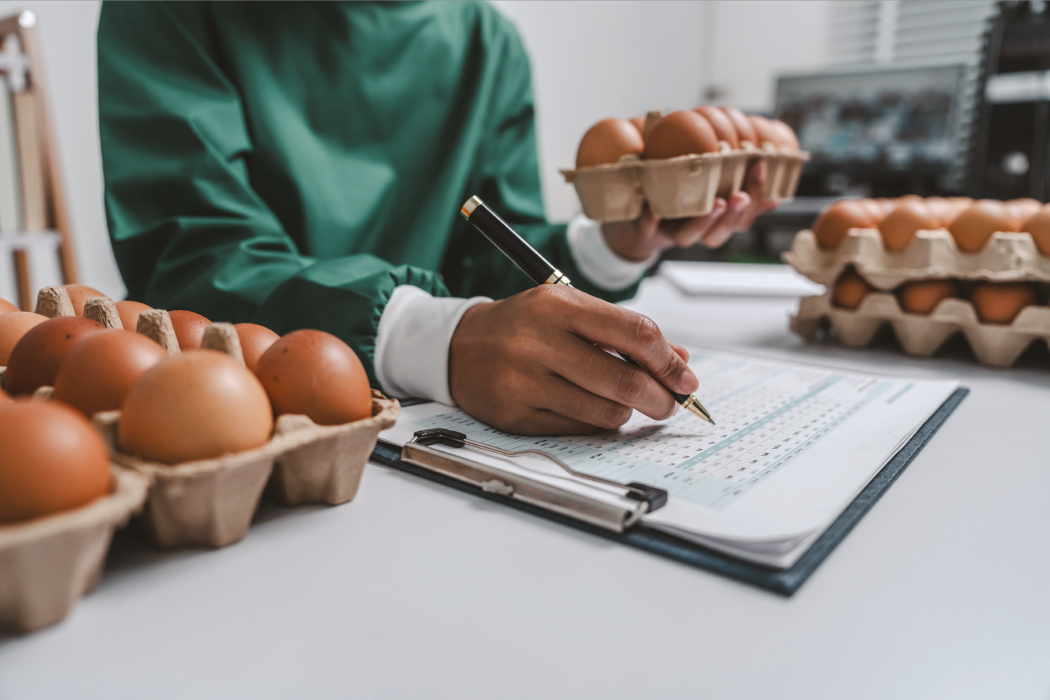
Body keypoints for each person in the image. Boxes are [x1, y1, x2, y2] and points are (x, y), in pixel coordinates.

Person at [98, 1, 775, 435]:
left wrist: (613, 244)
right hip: (231, 424)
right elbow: (194, 260)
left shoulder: (486, 40)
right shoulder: (171, 11)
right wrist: (437, 340)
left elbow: (490, 248)